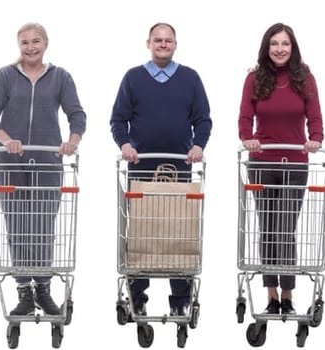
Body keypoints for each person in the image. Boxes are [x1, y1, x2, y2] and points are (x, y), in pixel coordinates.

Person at [0, 23, 86, 317]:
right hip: (10, 164)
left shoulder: (60, 77)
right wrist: (6, 139)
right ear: (19, 46)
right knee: (17, 228)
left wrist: (71, 142)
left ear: (46, 43)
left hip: (47, 163)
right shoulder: (6, 76)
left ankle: (43, 288)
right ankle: (24, 292)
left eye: (35, 41)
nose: (30, 47)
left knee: (43, 228)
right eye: (24, 42)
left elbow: (77, 115)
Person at [110, 22, 212, 316]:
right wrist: (125, 144)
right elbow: (118, 119)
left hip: (179, 166)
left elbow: (203, 119)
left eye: (168, 40)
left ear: (175, 44)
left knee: (179, 228)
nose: (163, 44)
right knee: (142, 229)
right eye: (158, 40)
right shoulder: (133, 77)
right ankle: (137, 296)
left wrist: (199, 145)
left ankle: (180, 299)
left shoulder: (190, 78)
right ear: (148, 43)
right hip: (141, 166)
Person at [237, 23, 322, 315]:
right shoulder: (254, 78)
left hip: (295, 163)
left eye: (285, 44)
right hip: (262, 162)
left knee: (285, 229)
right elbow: (245, 118)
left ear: (293, 47)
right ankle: (271, 296)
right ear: (266, 47)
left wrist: (316, 140)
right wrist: (247, 139)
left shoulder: (305, 78)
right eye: (274, 44)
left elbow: (315, 118)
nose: (280, 49)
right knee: (268, 228)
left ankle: (287, 295)